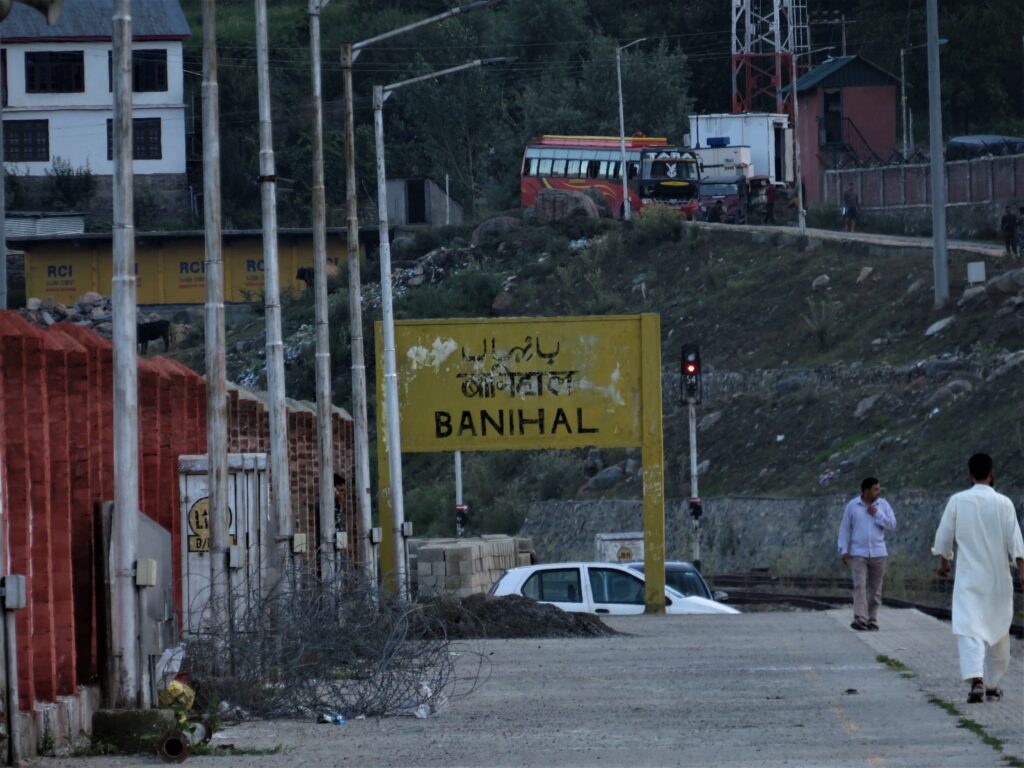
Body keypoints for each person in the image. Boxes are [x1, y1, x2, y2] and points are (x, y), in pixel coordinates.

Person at [932, 453, 1024, 704]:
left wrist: (944, 564)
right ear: (991, 474)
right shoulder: (1004, 503)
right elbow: (1016, 542)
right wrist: (1023, 572)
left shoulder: (957, 501)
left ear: (969, 474)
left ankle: (977, 680)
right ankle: (993, 685)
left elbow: (944, 539)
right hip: (997, 580)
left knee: (969, 629)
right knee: (998, 630)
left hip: (968, 579)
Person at [837, 477, 897, 631]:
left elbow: (892, 524)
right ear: (866, 490)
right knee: (860, 586)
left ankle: (873, 618)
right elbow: (845, 529)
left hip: (879, 552)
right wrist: (843, 550)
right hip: (858, 553)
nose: (878, 491)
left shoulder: (882, 505)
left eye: (878, 488)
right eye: (875, 489)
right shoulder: (852, 506)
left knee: (876, 589)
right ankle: (859, 618)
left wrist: (877, 514)